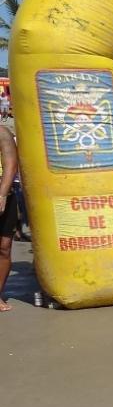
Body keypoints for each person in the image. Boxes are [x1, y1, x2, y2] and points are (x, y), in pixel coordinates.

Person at [0, 127, 19, 312]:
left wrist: (2, 194)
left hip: (4, 194)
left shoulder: (2, 133)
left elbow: (11, 164)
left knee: (4, 247)